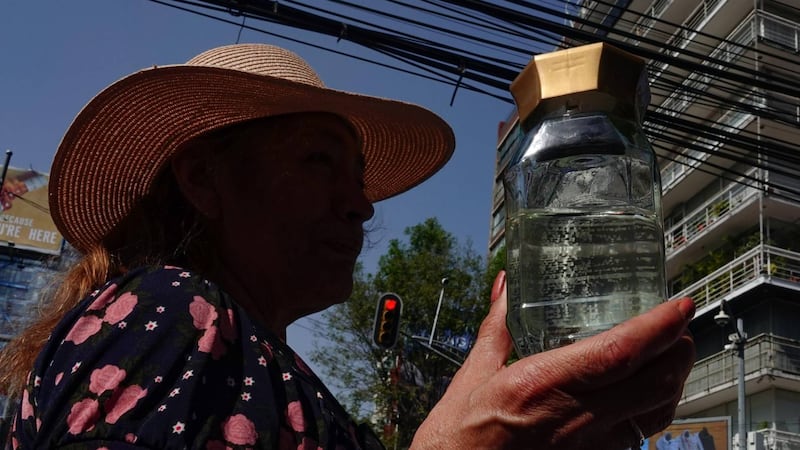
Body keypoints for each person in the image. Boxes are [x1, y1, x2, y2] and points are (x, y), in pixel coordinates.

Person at [0, 43, 695, 449]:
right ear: (206, 179)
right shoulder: (169, 316)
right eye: (319, 162)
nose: (361, 203)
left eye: (359, 177)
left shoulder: (256, 363)